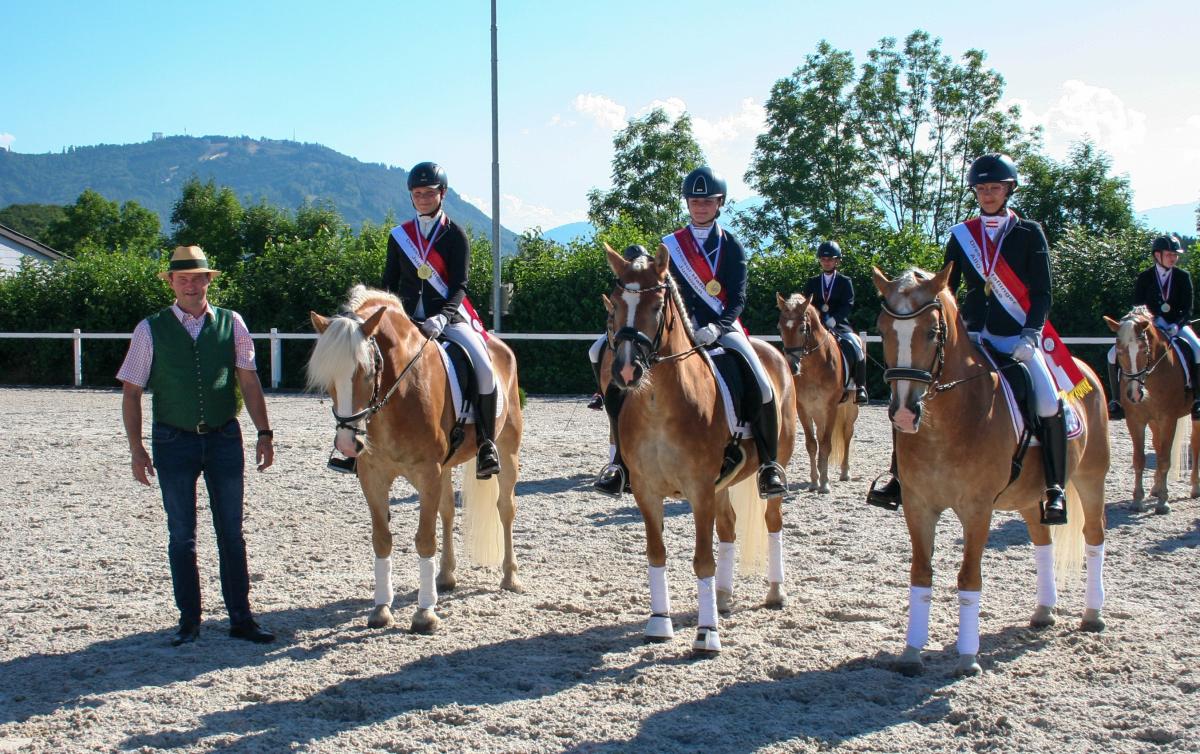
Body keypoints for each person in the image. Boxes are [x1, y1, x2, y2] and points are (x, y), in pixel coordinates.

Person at [869, 154, 1080, 526]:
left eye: (994, 188)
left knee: (1048, 402)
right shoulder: (962, 234)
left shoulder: (1029, 233)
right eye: (981, 189)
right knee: (914, 391)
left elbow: (1043, 293)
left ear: (1008, 190)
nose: (987, 194)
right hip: (974, 335)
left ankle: (1054, 488)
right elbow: (946, 287)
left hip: (1018, 335)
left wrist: (1030, 333)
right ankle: (898, 477)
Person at [592, 166, 788, 498]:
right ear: (687, 203)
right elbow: (659, 294)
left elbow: (738, 297)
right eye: (695, 201)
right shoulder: (670, 246)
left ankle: (769, 465)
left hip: (722, 327)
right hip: (678, 330)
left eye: (707, 201)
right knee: (620, 381)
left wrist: (719, 327)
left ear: (719, 203)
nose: (700, 206)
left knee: (762, 382)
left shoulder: (732, 246)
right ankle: (621, 463)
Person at [118, 245, 276, 646]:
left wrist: (264, 431)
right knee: (181, 534)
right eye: (182, 278)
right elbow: (132, 392)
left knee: (231, 532)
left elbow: (249, 380)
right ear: (171, 282)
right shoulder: (149, 329)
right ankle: (189, 620)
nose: (190, 285)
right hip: (173, 440)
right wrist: (136, 448)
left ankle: (241, 617)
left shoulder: (232, 323)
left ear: (209, 280)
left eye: (197, 277)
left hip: (224, 437)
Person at [380, 161, 500, 478]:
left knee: (485, 369)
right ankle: (356, 443)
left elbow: (459, 285)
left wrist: (442, 318)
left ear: (441, 194)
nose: (422, 198)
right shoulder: (399, 236)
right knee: (366, 360)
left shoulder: (454, 235)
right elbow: (388, 285)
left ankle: (487, 444)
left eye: (428, 193)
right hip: (404, 321)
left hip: (447, 317)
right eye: (417, 193)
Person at [1106, 234, 1199, 420]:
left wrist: (1175, 325)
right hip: (1149, 326)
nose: (1174, 258)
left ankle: (1197, 398)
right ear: (1157, 255)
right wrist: (1146, 321)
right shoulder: (1145, 277)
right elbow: (1137, 305)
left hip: (1176, 325)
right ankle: (1116, 401)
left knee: (1198, 349)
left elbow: (1188, 309)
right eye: (1170, 254)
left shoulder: (1182, 277)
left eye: (1175, 255)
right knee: (1111, 354)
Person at [802, 240, 868, 404]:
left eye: (830, 259)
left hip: (839, 325)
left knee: (856, 345)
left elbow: (848, 304)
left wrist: (834, 319)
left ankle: (860, 386)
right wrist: (818, 320)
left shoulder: (845, 281)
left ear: (837, 261)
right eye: (823, 259)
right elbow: (807, 305)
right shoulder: (812, 282)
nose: (826, 262)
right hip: (817, 326)